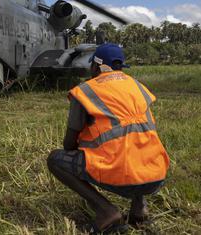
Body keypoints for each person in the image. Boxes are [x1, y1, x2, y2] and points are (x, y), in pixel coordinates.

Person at [47, 43, 170, 234]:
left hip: (123, 177)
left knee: (55, 160)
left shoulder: (86, 91)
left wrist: (87, 146)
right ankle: (139, 210)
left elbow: (69, 144)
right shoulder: (136, 86)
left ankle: (107, 212)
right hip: (156, 175)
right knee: (136, 147)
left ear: (96, 66)